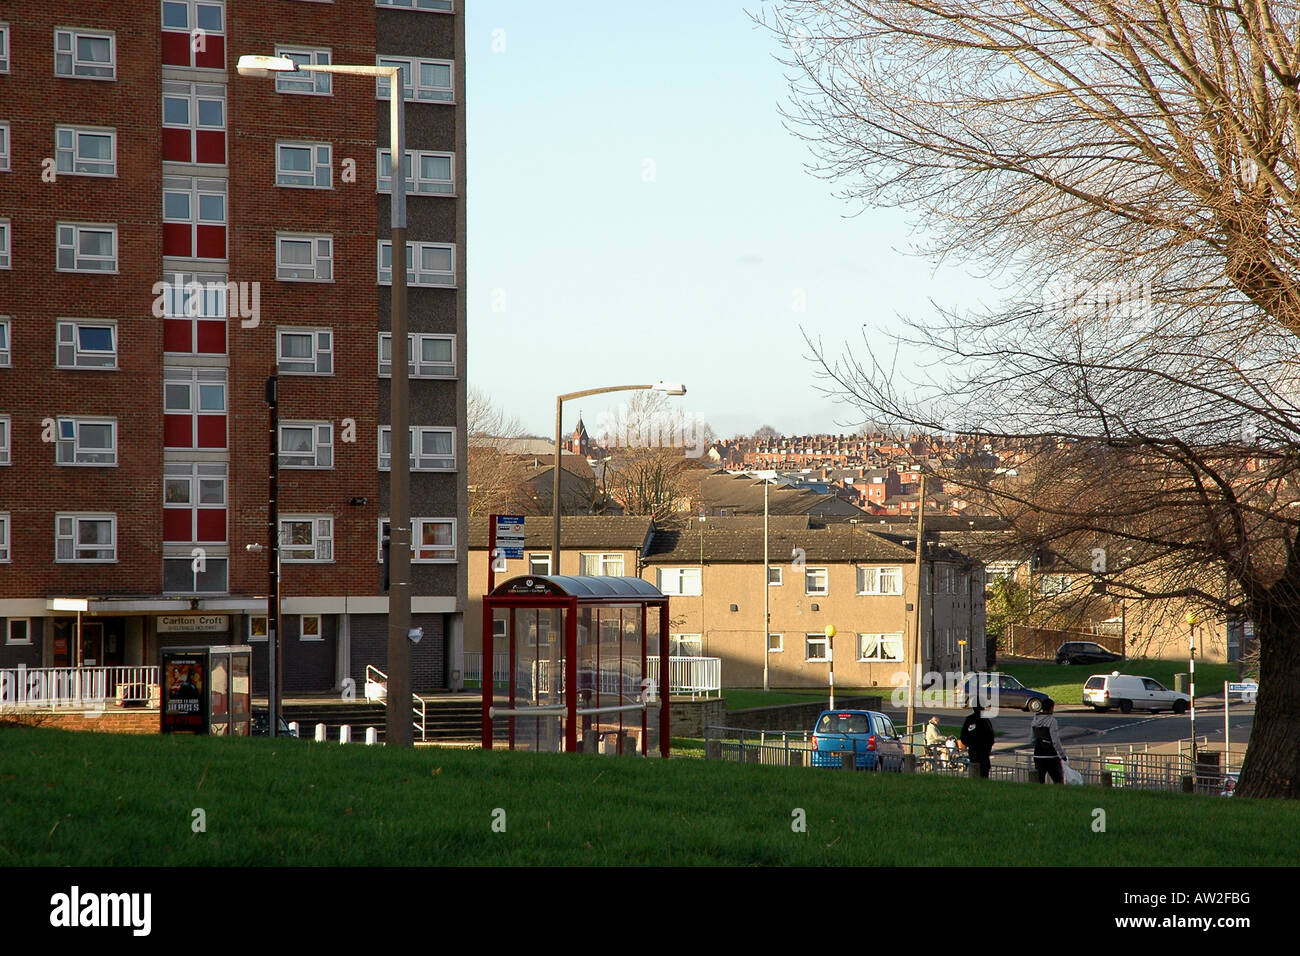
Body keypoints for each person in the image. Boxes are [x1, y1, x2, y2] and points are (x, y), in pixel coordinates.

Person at [1030, 698, 1068, 783]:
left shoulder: (1035, 720)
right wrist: (1062, 755)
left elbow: (1032, 738)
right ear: (1051, 708)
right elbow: (1055, 741)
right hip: (1050, 755)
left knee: (1039, 781)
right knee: (1058, 780)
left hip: (1038, 754)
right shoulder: (1052, 721)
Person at [960, 703, 995, 778]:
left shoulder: (970, 719)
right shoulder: (985, 720)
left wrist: (970, 744)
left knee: (975, 775)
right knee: (983, 775)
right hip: (982, 753)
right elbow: (991, 737)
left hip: (974, 753)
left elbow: (963, 737)